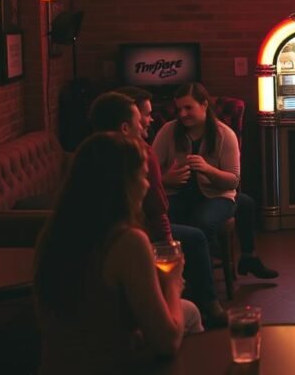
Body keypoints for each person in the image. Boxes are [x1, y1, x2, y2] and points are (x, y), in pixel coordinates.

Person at [34, 132, 202, 374]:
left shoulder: (52, 233)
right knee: (189, 314)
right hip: (111, 366)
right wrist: (172, 284)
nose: (147, 185)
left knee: (189, 312)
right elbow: (167, 342)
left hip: (57, 364)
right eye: (144, 176)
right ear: (124, 183)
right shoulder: (128, 241)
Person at [91, 91, 228, 329]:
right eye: (144, 115)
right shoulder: (140, 153)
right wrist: (169, 260)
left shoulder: (88, 154)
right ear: (125, 127)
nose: (150, 120)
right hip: (140, 231)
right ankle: (208, 303)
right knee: (196, 237)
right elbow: (157, 209)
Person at [151, 82, 278, 279]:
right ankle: (184, 274)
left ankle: (201, 280)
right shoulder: (168, 131)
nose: (182, 114)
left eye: (188, 108)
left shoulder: (224, 134)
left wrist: (207, 169)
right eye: (179, 109)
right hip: (177, 193)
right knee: (158, 221)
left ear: (204, 105)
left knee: (202, 222)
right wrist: (166, 179)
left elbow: (233, 181)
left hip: (215, 194)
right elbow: (150, 171)